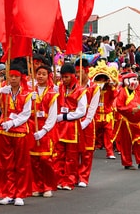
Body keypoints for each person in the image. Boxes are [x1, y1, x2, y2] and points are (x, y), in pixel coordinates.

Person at [0, 63, 32, 207]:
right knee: (6, 164)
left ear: (21, 77)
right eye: (10, 76)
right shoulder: (3, 91)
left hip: (20, 131)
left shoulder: (27, 93)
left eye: (15, 76)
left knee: (21, 164)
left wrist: (12, 123)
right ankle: (8, 192)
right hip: (4, 131)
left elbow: (26, 114)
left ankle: (20, 193)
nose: (12, 79)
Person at [54, 63, 87, 189]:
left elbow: (82, 111)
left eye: (67, 77)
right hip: (59, 126)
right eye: (63, 77)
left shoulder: (80, 91)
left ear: (73, 76)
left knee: (71, 156)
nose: (64, 80)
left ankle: (70, 179)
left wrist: (65, 117)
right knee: (59, 154)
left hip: (72, 127)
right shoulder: (59, 87)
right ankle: (58, 179)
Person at [29, 64, 58, 198]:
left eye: (43, 74)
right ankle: (36, 186)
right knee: (33, 160)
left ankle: (47, 186)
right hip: (32, 128)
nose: (40, 76)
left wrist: (44, 130)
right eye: (38, 73)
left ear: (48, 76)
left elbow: (52, 116)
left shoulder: (52, 94)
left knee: (46, 159)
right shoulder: (30, 91)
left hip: (46, 130)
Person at [112, 72, 140, 169]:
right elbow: (119, 107)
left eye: (136, 79)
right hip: (125, 121)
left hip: (137, 121)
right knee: (126, 143)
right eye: (133, 79)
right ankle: (127, 163)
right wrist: (130, 110)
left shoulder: (137, 92)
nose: (135, 82)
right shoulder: (122, 92)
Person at [76, 59, 100, 187]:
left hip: (88, 122)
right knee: (74, 151)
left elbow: (93, 108)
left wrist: (85, 122)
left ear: (86, 71)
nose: (78, 75)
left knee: (86, 151)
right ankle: (73, 176)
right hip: (74, 121)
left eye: (79, 72)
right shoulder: (74, 86)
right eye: (76, 73)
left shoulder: (94, 88)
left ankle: (83, 177)